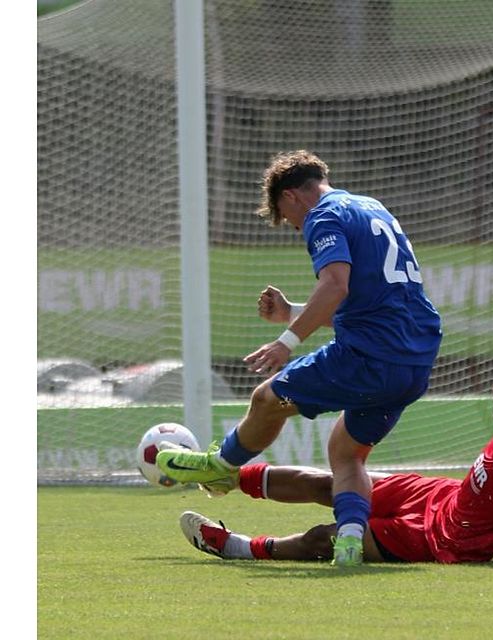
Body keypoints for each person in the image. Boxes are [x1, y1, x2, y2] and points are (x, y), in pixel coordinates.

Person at [178, 287, 493, 567]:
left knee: (324, 539)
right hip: (443, 496)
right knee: (332, 486)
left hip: (443, 539)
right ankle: (227, 476)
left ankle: (237, 547)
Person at [157, 150, 442, 567]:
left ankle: (222, 465)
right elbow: (367, 306)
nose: (296, 228)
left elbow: (336, 284)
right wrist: (291, 311)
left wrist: (287, 339)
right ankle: (348, 541)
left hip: (370, 358)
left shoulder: (323, 216)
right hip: (414, 362)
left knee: (267, 399)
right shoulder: (370, 207)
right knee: (345, 451)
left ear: (291, 196)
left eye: (289, 221)